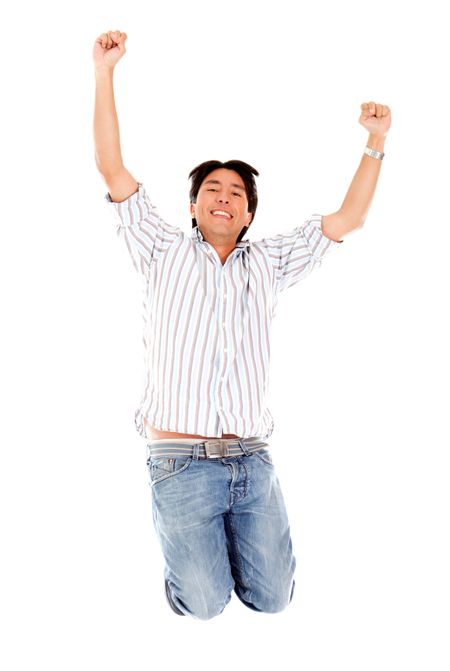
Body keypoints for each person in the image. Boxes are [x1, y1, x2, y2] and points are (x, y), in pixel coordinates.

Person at [93, 30, 391, 620]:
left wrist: (376, 141)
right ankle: (195, 561)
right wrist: (105, 72)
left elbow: (348, 219)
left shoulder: (270, 262)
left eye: (236, 192)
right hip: (179, 458)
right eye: (211, 190)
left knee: (273, 600)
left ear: (249, 212)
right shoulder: (161, 250)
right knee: (204, 605)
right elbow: (111, 166)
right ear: (194, 207)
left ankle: (223, 548)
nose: (223, 197)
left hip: (252, 458)